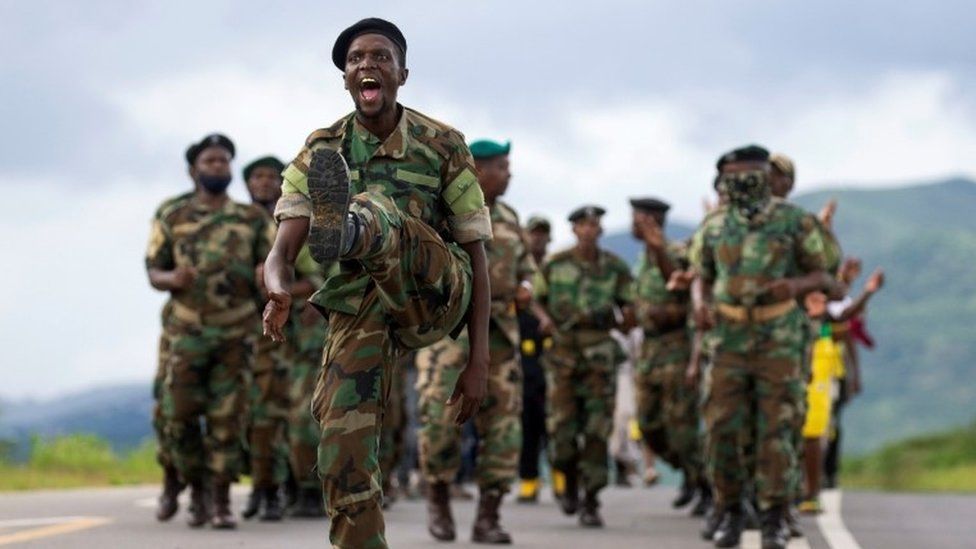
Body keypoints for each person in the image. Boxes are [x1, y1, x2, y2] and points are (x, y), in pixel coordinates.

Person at [260, 18, 493, 548]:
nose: (368, 65)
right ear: (345, 77)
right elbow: (281, 253)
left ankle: (349, 226)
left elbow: (478, 256)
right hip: (362, 306)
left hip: (433, 289)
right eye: (356, 59)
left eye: (381, 57)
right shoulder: (322, 149)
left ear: (402, 74)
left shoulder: (443, 144)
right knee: (340, 454)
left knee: (377, 212)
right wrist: (276, 289)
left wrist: (479, 360)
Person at [689, 145, 842, 548]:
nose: (740, 184)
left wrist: (795, 286)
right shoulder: (716, 225)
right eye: (732, 178)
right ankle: (731, 511)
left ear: (764, 176)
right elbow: (699, 275)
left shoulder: (795, 222)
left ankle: (775, 516)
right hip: (728, 340)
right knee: (722, 429)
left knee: (777, 430)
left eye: (749, 176)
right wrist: (701, 305)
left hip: (778, 339)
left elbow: (825, 275)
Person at [416, 138, 544, 543]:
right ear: (481, 170)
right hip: (449, 337)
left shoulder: (508, 216)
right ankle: (438, 501)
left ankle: (489, 516)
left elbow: (529, 269)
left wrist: (526, 286)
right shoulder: (443, 210)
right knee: (440, 424)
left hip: (501, 340)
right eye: (502, 167)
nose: (509, 175)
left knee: (504, 429)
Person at [146, 133, 274, 529]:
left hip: (236, 333)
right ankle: (191, 485)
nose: (219, 167)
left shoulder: (252, 219)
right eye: (211, 161)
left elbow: (277, 266)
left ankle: (219, 500)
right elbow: (153, 270)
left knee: (228, 418)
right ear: (193, 170)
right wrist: (174, 277)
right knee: (178, 417)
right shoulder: (172, 215)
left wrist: (266, 275)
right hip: (186, 334)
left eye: (224, 161)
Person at [535, 205, 635, 528]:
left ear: (600, 230)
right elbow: (535, 297)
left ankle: (592, 499)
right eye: (583, 225)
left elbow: (629, 304)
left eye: (594, 225)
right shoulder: (555, 264)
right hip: (563, 356)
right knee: (561, 431)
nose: (589, 230)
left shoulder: (615, 268)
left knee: (596, 430)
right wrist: (544, 319)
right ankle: (568, 480)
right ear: (574, 230)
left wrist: (628, 318)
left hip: (599, 359)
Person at [629, 197, 707, 511]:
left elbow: (678, 285)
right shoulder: (642, 259)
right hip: (648, 351)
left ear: (653, 222)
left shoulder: (673, 253)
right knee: (648, 425)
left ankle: (704, 484)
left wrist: (660, 249)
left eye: (638, 218)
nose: (633, 223)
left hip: (676, 350)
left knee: (682, 427)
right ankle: (691, 472)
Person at [241, 156, 290, 521]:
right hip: (237, 331)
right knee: (246, 416)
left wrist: (276, 283)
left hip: (279, 334)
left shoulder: (290, 223)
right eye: (257, 176)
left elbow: (311, 276)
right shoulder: (234, 222)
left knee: (273, 415)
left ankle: (273, 488)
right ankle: (256, 486)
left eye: (273, 177)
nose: (265, 183)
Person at [516, 216, 553, 503]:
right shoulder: (519, 269)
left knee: (556, 419)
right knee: (528, 418)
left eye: (543, 234)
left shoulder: (555, 269)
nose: (538, 239)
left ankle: (563, 477)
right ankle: (529, 478)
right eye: (534, 233)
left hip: (553, 354)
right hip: (524, 354)